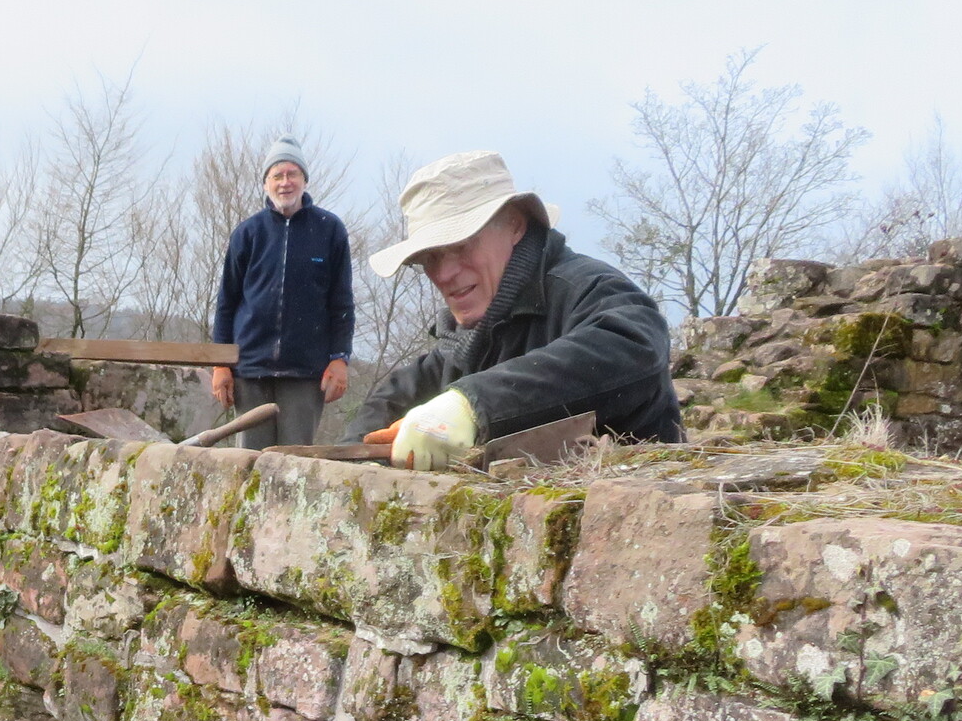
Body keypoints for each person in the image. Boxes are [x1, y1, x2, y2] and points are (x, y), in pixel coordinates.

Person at [355, 149, 681, 469]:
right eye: (429, 258)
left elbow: (637, 345)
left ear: (515, 226)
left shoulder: (588, 289)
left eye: (460, 245)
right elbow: (390, 404)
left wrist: (471, 404)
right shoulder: (461, 346)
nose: (443, 274)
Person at [209, 134, 356, 449]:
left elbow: (341, 304)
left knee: (294, 462)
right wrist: (220, 364)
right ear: (266, 184)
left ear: (304, 180)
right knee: (248, 463)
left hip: (306, 373)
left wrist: (340, 359)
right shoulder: (248, 233)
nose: (285, 182)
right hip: (250, 369)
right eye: (277, 175)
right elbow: (226, 304)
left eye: (292, 174)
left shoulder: (330, 230)